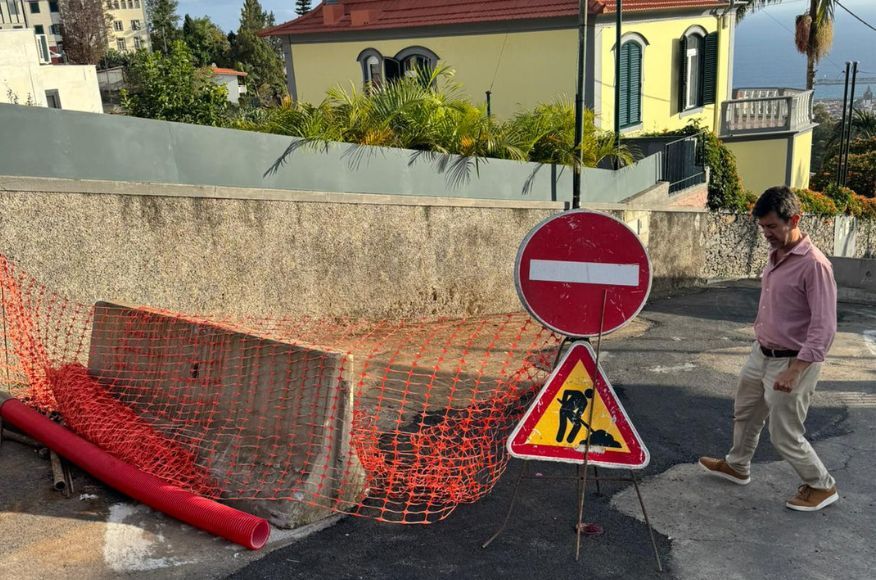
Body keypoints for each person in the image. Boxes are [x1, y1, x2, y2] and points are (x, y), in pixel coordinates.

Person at [699, 186, 838, 512]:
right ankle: (738, 465)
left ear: (795, 219)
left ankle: (822, 484)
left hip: (792, 362)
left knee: (784, 434)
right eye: (763, 227)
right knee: (746, 414)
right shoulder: (776, 257)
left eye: (772, 227)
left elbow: (824, 327)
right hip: (762, 353)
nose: (766, 234)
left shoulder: (814, 265)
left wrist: (795, 370)